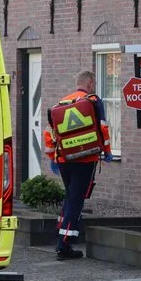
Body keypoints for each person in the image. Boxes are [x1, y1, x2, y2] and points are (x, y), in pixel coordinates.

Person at [44, 71, 112, 260]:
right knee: (76, 199)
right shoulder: (93, 101)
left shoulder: (62, 104)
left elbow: (49, 134)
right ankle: (64, 244)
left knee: (70, 196)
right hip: (85, 159)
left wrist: (52, 157)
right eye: (95, 82)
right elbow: (103, 128)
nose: (95, 85)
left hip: (64, 160)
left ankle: (60, 233)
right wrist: (107, 151)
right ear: (89, 83)